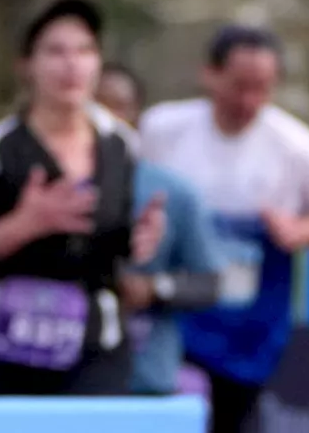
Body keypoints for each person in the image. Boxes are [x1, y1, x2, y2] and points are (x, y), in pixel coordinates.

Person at [0, 0, 165, 396]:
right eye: (55, 51)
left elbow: (110, 242)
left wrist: (138, 238)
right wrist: (20, 227)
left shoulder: (120, 145)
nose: (72, 64)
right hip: (0, 355)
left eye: (84, 50)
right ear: (27, 66)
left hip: (93, 352)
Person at [139, 25, 309, 433]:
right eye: (239, 86)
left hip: (252, 308)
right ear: (210, 74)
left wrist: (299, 231)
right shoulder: (163, 128)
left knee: (238, 413)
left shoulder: (296, 145)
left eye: (262, 88)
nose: (249, 101)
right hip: (176, 297)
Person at [97, 63, 227, 397]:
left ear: (136, 116)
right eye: (95, 104)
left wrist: (155, 288)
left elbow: (210, 283)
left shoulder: (173, 193)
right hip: (58, 381)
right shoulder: (41, 185)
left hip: (145, 380)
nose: (105, 118)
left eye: (118, 106)